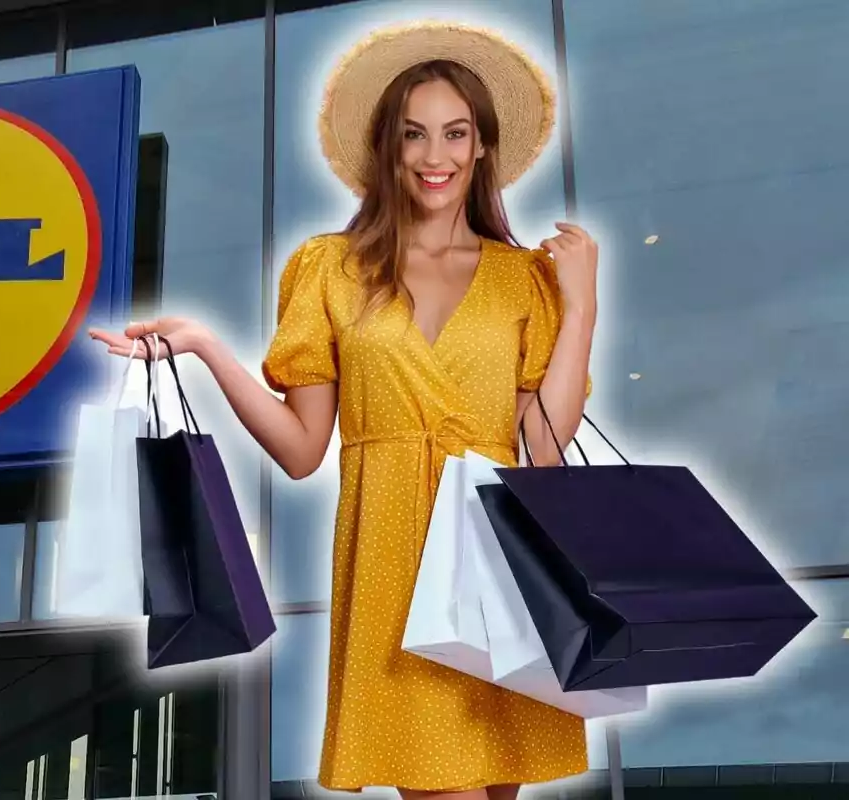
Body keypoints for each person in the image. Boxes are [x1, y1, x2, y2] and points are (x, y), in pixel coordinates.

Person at [90, 20, 598, 800]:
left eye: (456, 134)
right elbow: (300, 450)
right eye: (414, 134)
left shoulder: (521, 279)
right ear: (387, 148)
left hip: (498, 549)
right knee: (443, 785)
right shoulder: (331, 268)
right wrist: (206, 347)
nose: (436, 157)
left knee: (496, 787)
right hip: (393, 550)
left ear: (484, 146)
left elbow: (544, 445)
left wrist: (583, 305)